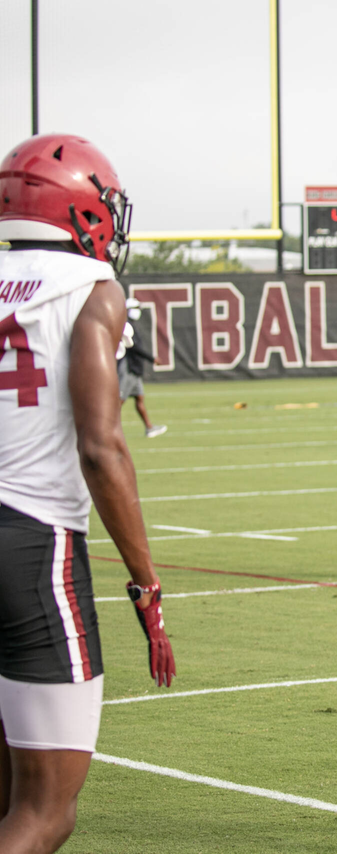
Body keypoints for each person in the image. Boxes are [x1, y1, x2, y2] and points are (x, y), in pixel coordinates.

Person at [0, 133, 176, 854]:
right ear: (83, 210)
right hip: (32, 540)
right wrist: (145, 581)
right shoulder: (90, 290)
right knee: (44, 811)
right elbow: (101, 447)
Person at [117, 298, 166, 438]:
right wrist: (152, 359)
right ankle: (107, 427)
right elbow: (133, 347)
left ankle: (149, 427)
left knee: (139, 397)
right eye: (137, 308)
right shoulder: (126, 325)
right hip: (128, 368)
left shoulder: (132, 325)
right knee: (119, 401)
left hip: (135, 369)